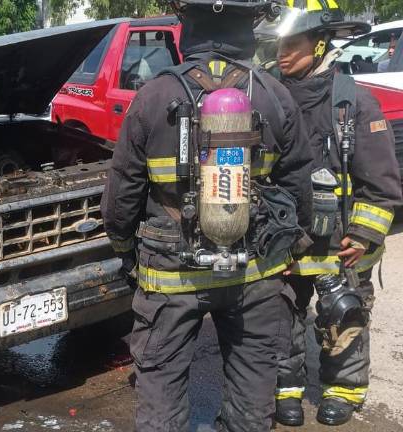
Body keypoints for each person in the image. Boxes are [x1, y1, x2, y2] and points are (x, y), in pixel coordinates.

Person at [101, 0, 314, 430]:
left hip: (171, 274)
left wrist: (126, 250)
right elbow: (298, 190)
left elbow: (121, 196)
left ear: (186, 30)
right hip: (254, 271)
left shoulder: (154, 96)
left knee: (161, 390)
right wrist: (295, 247)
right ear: (249, 31)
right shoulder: (275, 95)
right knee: (253, 395)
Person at [272, 1, 403, 427]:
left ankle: (343, 390)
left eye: (293, 43)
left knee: (343, 316)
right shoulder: (269, 98)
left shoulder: (354, 105)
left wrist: (364, 236)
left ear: (321, 43)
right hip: (284, 242)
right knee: (279, 317)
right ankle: (284, 390)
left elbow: (382, 184)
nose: (282, 52)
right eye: (279, 43)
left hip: (341, 244)